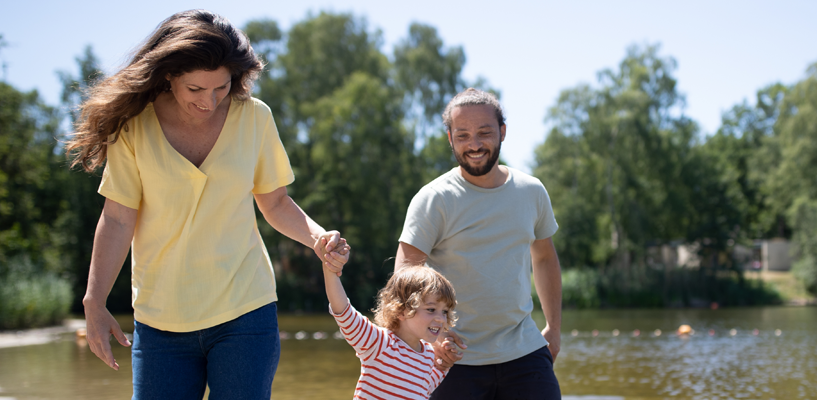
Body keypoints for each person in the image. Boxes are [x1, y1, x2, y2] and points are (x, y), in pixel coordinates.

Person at [65, 10, 348, 399]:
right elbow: (116, 218)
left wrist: (318, 238)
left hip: (246, 310)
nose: (210, 101)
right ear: (169, 76)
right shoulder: (134, 126)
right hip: (159, 319)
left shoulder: (254, 117)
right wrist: (94, 300)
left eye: (221, 87)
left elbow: (276, 202)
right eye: (196, 89)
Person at [400, 88, 563, 399]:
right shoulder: (434, 198)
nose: (474, 144)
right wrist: (432, 340)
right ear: (449, 138)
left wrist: (553, 331)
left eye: (484, 133)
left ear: (502, 132)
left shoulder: (532, 191)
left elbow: (544, 258)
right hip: (451, 358)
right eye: (462, 135)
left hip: (524, 353)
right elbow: (406, 273)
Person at [318, 251, 458, 400]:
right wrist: (330, 270)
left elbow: (422, 390)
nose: (441, 319)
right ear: (401, 310)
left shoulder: (428, 355)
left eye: (444, 311)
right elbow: (345, 313)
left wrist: (443, 366)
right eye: (431, 309)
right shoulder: (380, 343)